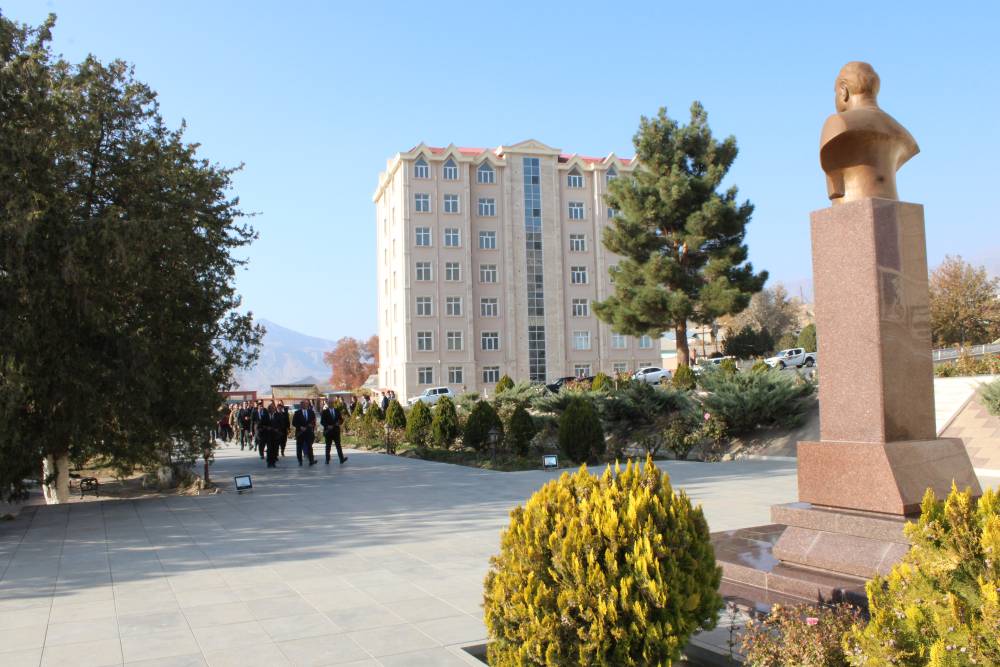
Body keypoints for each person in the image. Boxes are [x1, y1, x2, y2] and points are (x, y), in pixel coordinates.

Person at [320, 399, 347, 464]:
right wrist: (327, 426)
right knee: (328, 446)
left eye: (332, 403)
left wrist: (339, 423)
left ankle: (341, 459)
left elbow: (341, 419)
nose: (331, 404)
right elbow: (322, 421)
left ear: (333, 404)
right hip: (328, 431)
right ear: (328, 404)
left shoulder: (337, 410)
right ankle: (327, 460)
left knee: (338, 445)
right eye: (329, 403)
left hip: (336, 431)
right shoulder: (325, 412)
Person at [292, 400, 318, 466]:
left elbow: (313, 421)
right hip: (300, 433)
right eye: (302, 404)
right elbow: (294, 423)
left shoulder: (311, 412)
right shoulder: (297, 413)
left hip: (308, 432)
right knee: (299, 447)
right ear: (300, 405)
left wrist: (312, 425)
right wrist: (300, 427)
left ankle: (311, 460)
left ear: (307, 405)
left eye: (305, 404)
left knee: (309, 446)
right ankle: (300, 461)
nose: (304, 405)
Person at [264, 402, 280, 467]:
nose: (271, 410)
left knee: (275, 449)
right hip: (268, 435)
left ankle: (273, 462)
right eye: (270, 409)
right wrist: (266, 427)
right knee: (269, 448)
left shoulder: (277, 416)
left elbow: (281, 424)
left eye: (272, 409)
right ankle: (269, 461)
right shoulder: (265, 416)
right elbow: (261, 424)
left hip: (275, 435)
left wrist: (277, 429)